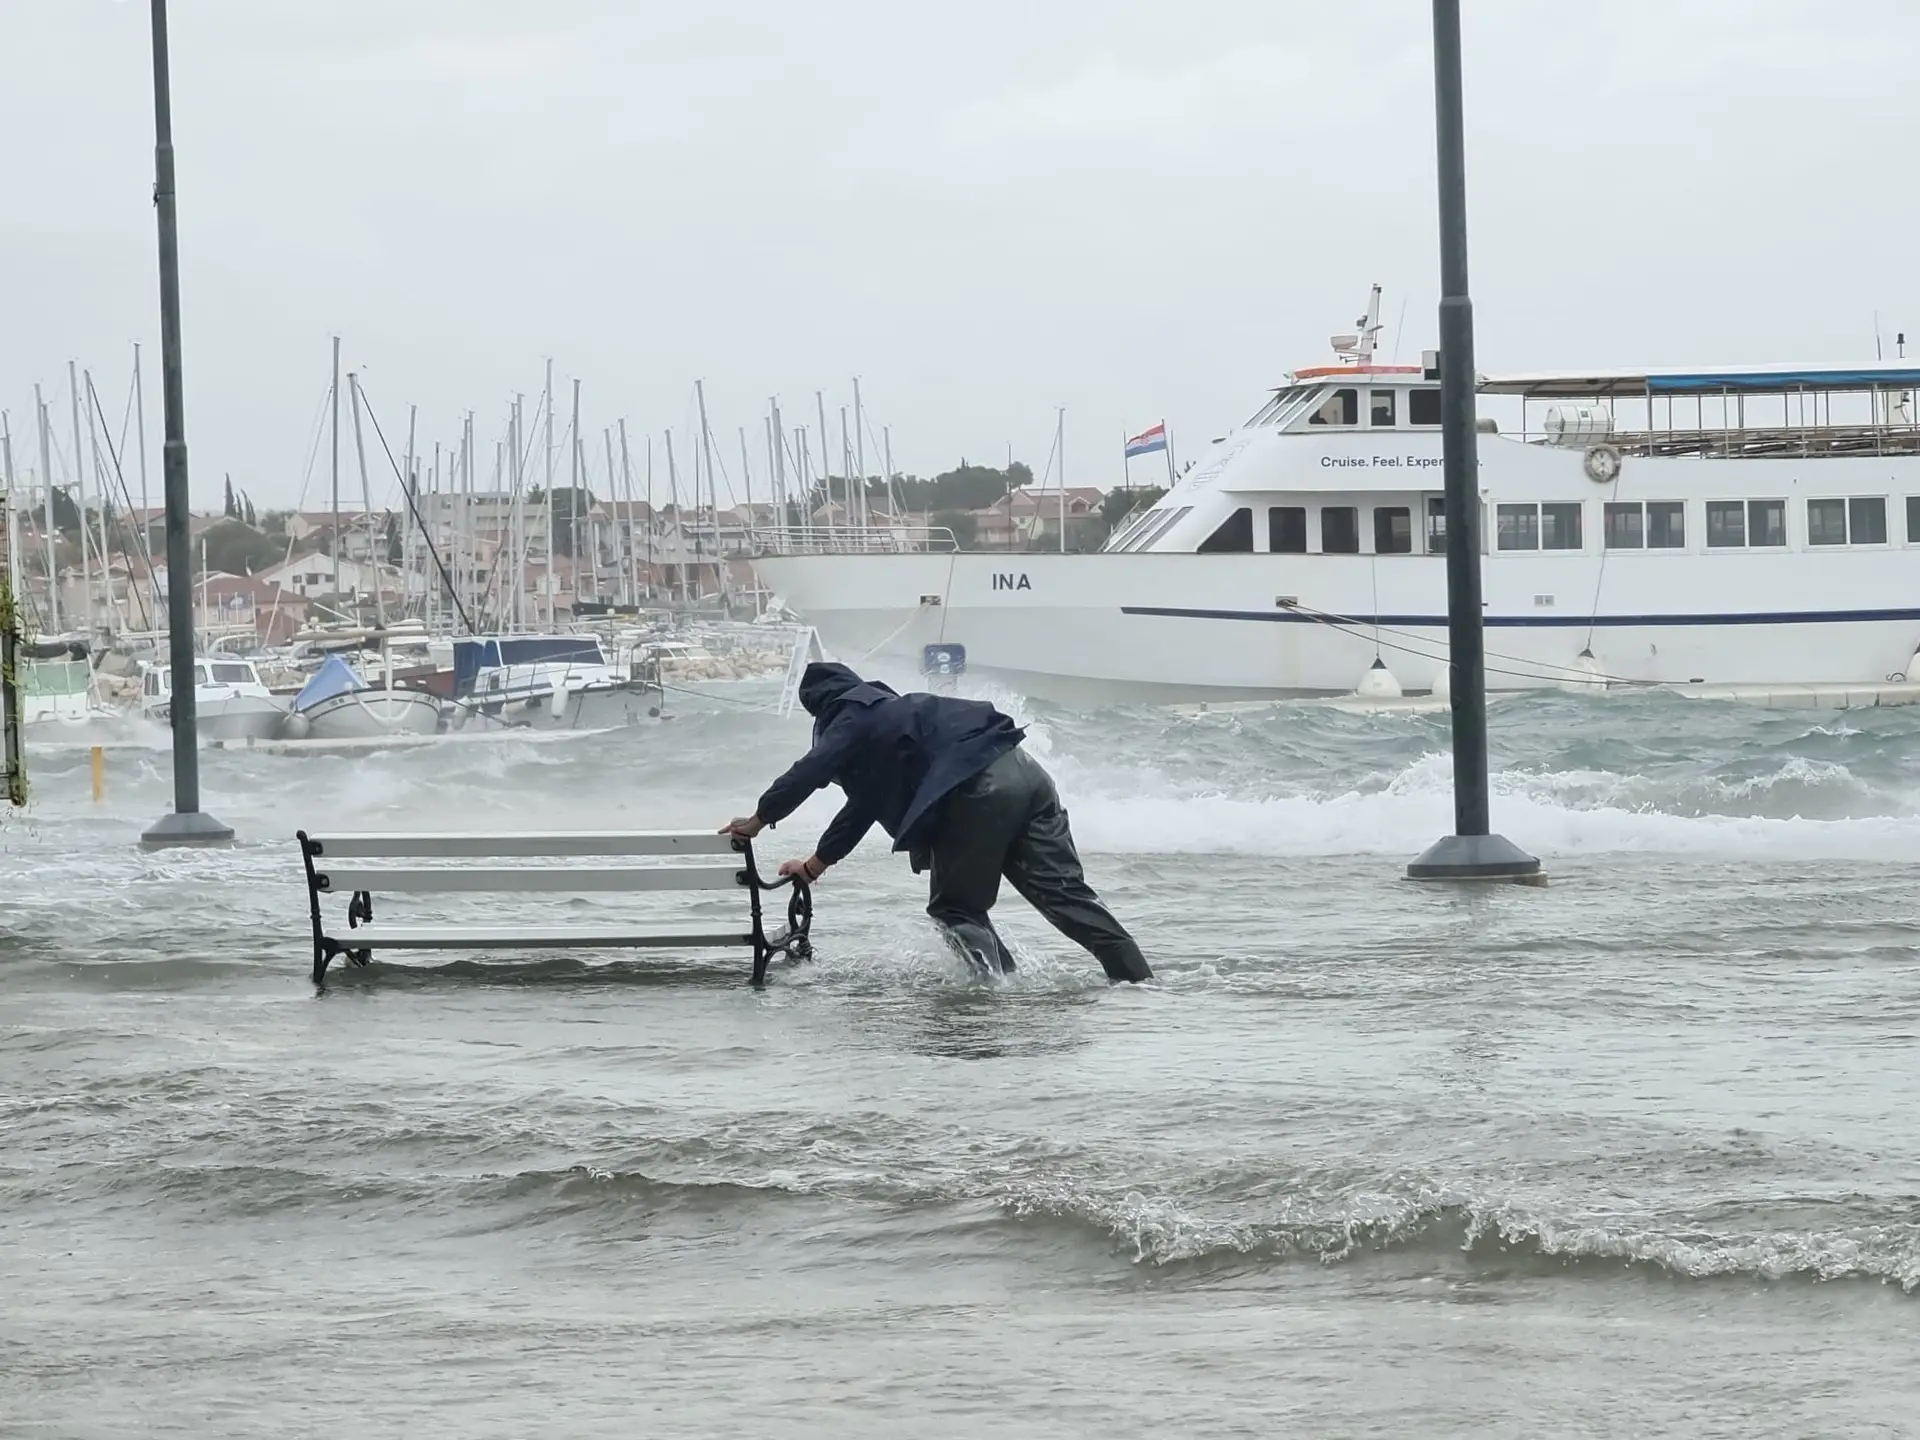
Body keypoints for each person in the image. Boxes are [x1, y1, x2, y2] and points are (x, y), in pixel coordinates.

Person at [721, 662, 1151, 983]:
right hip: (1028, 774)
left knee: (955, 909)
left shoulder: (850, 717)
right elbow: (862, 808)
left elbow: (809, 772)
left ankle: (1003, 993)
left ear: (822, 708)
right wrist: (814, 865)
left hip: (978, 790)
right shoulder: (901, 719)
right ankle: (1140, 985)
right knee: (1067, 898)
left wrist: (759, 819)